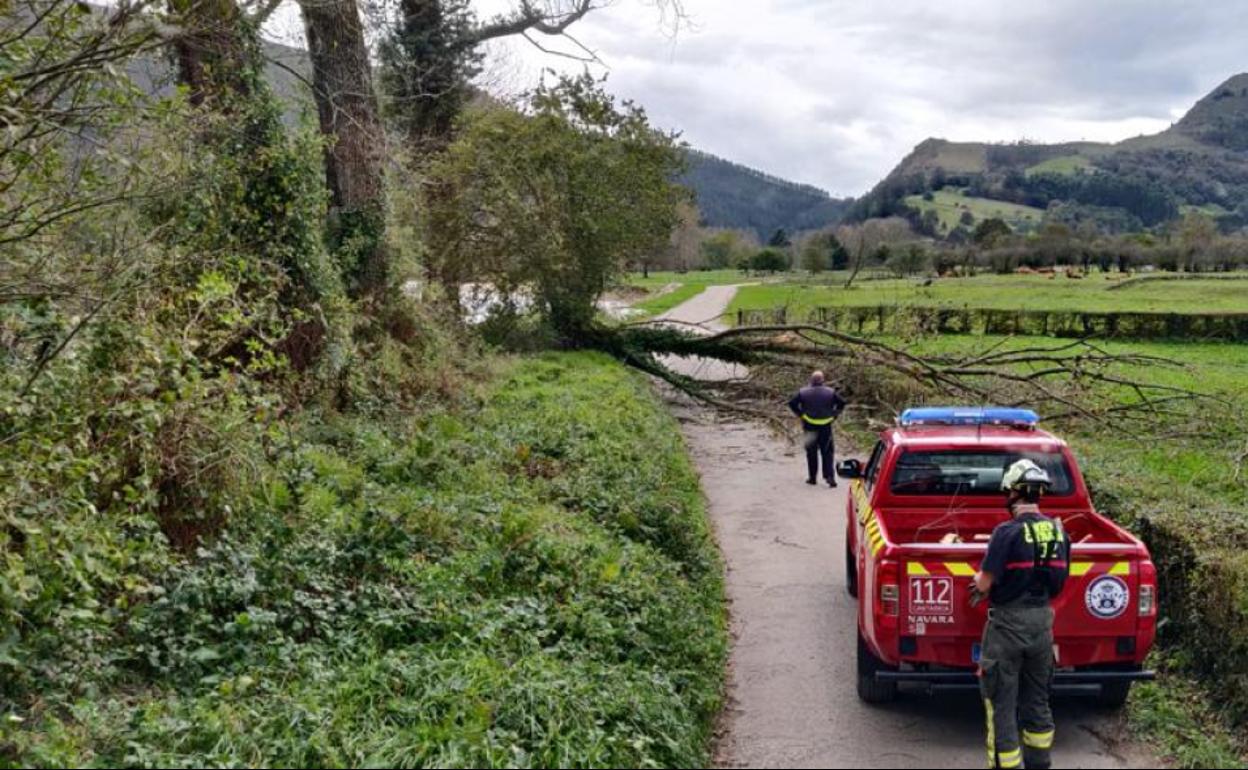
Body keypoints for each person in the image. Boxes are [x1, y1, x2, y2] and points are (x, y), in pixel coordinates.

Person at [972, 459, 1071, 770]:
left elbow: (985, 583)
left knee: (1001, 705)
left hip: (1007, 628)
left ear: (1014, 492)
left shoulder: (1006, 532)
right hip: (1042, 626)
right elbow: (1059, 581)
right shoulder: (1058, 531)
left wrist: (976, 582)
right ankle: (1039, 764)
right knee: (1037, 702)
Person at [787, 371, 846, 487]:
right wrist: (834, 414)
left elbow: (792, 403)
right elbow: (842, 403)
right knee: (827, 452)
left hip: (809, 425)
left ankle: (812, 478)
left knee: (811, 452)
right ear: (823, 380)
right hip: (826, 426)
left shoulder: (803, 392)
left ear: (811, 380)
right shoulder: (830, 392)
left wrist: (801, 414)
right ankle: (829, 477)